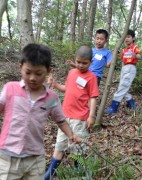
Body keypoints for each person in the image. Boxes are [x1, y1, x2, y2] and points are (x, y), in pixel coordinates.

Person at [0, 44, 81, 180]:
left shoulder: (50, 99)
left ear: (48, 71)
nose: (32, 78)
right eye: (28, 72)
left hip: (35, 158)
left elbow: (60, 120)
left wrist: (71, 135)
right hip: (8, 156)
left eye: (38, 73)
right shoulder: (10, 90)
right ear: (21, 68)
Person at [45, 45, 99, 180]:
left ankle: (78, 173)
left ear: (90, 62)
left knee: (78, 150)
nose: (80, 65)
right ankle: (50, 174)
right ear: (75, 60)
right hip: (64, 117)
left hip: (80, 119)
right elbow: (67, 89)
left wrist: (91, 116)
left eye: (84, 63)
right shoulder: (72, 73)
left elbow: (92, 98)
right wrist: (55, 84)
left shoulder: (91, 77)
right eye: (78, 62)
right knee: (59, 146)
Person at [104, 29, 142, 114]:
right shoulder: (124, 50)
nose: (126, 39)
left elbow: (139, 56)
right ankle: (132, 105)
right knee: (124, 87)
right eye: (125, 37)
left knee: (122, 87)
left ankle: (114, 108)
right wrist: (116, 53)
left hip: (131, 67)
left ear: (133, 38)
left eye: (128, 37)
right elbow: (122, 60)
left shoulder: (135, 47)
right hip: (124, 69)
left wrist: (135, 55)